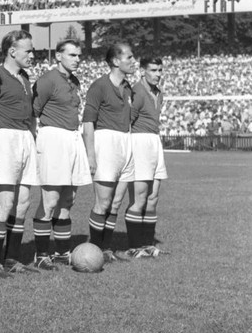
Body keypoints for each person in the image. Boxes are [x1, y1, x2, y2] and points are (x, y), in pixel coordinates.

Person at [31, 39, 92, 268]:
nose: (77, 59)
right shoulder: (47, 80)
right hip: (53, 139)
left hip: (72, 139)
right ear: (58, 56)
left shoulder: (74, 81)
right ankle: (41, 254)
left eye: (78, 55)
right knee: (51, 199)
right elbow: (33, 112)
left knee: (69, 199)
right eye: (72, 55)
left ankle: (62, 252)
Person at [0, 29, 40, 277]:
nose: (32, 54)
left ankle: (12, 259)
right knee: (6, 202)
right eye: (28, 50)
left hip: (25, 139)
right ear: (12, 51)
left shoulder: (25, 77)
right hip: (5, 138)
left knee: (23, 203)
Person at [83, 42, 137, 263]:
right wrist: (91, 155)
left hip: (126, 143)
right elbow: (87, 123)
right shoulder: (99, 86)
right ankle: (94, 251)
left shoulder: (127, 87)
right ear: (116, 61)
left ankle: (105, 249)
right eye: (130, 58)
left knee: (115, 203)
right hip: (106, 142)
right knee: (103, 203)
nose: (134, 62)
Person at [124, 56, 168, 258]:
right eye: (153, 70)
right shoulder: (137, 92)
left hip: (154, 142)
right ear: (142, 71)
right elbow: (127, 122)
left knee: (153, 197)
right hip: (139, 141)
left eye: (160, 70)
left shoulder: (158, 92)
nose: (157, 74)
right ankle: (134, 246)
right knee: (139, 197)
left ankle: (147, 243)